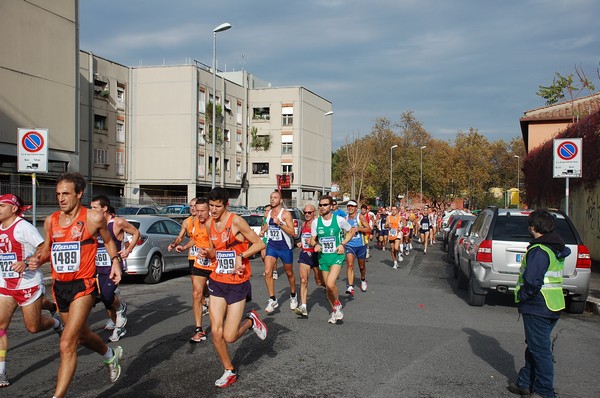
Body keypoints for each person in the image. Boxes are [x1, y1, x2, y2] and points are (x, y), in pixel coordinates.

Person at [27, 173, 123, 398]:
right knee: (81, 335)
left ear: (79, 194)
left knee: (67, 343)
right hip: (60, 288)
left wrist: (115, 262)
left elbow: (108, 241)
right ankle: (110, 354)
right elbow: (47, 250)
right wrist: (35, 260)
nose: (61, 198)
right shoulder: (51, 220)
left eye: (66, 193)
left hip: (84, 286)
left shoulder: (93, 217)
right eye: (58, 194)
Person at [203, 187, 267, 388]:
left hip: (237, 283)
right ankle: (229, 370)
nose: (213, 210)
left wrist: (241, 256)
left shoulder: (236, 221)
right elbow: (216, 251)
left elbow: (259, 244)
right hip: (217, 280)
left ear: (226, 205)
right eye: (211, 206)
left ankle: (251, 320)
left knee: (230, 336)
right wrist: (209, 254)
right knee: (216, 331)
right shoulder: (209, 224)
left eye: (217, 206)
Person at [0, 194, 63, 387]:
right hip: (5, 284)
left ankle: (55, 322)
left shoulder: (23, 227)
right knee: (1, 327)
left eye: (1, 205)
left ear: (13, 208)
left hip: (27, 284)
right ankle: (1, 371)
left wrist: (27, 261)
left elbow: (44, 247)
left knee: (33, 327)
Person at [508, 210, 570, 398]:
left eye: (529, 225)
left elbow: (532, 281)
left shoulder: (539, 250)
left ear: (533, 227)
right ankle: (524, 382)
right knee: (536, 346)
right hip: (554, 304)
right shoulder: (555, 247)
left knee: (540, 350)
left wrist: (524, 297)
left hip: (538, 306)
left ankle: (544, 391)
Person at [90, 196, 140, 343]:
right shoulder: (94, 224)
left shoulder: (117, 222)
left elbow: (136, 233)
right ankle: (119, 325)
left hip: (114, 266)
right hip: (99, 266)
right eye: (91, 207)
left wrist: (128, 249)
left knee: (106, 295)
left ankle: (121, 309)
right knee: (105, 300)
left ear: (104, 208)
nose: (91, 211)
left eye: (95, 208)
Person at [310, 195, 354, 324]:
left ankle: (337, 304)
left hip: (336, 255)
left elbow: (351, 231)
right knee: (328, 288)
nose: (322, 207)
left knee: (330, 283)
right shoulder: (316, 222)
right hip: (323, 257)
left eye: (325, 205)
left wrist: (343, 244)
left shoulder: (339, 220)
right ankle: (335, 310)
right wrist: (315, 244)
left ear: (330, 206)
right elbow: (313, 239)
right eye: (320, 205)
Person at [175, 197, 212, 343]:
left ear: (209, 210)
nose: (200, 214)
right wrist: (184, 247)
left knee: (219, 297)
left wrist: (210, 251)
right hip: (200, 263)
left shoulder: (214, 224)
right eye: (197, 211)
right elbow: (195, 239)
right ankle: (199, 330)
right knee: (196, 293)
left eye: (203, 211)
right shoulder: (194, 223)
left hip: (214, 263)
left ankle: (220, 321)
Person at [260, 191, 297, 314]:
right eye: (271, 197)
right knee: (267, 271)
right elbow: (267, 225)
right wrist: (263, 231)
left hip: (285, 247)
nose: (272, 199)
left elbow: (293, 233)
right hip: (272, 246)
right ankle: (272, 299)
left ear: (280, 200)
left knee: (289, 273)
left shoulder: (285, 214)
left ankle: (293, 294)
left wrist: (280, 223)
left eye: (275, 197)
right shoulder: (269, 213)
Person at [293, 204, 321, 317]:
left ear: (314, 212)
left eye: (309, 212)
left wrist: (316, 243)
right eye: (305, 212)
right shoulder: (304, 224)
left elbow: (324, 237)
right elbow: (301, 237)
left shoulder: (318, 223)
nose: (307, 214)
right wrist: (299, 242)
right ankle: (303, 306)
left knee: (320, 282)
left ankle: (326, 287)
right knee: (303, 280)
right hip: (305, 254)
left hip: (317, 255)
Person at [344, 201, 371, 294]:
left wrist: (358, 228)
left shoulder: (360, 217)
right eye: (348, 206)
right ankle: (350, 286)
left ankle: (363, 279)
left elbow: (369, 228)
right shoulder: (345, 218)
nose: (350, 208)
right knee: (350, 265)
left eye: (352, 206)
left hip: (360, 245)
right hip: (350, 245)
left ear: (356, 208)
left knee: (362, 266)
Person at [168, 198, 198, 274]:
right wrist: (174, 244)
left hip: (204, 255)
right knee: (195, 281)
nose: (193, 208)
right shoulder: (186, 221)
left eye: (195, 206)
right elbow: (180, 237)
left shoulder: (205, 220)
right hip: (193, 255)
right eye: (191, 206)